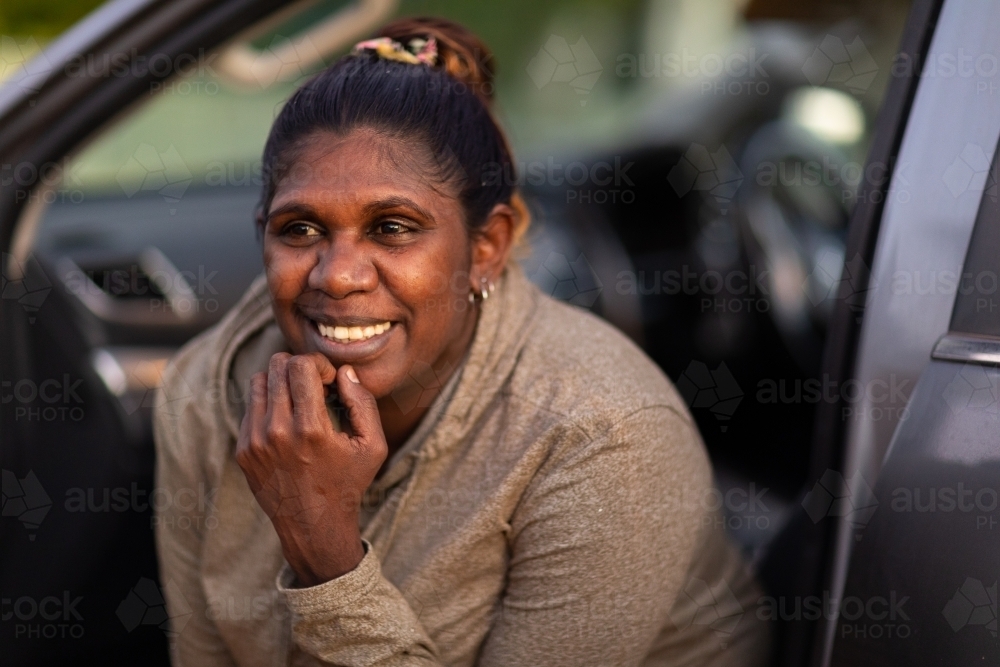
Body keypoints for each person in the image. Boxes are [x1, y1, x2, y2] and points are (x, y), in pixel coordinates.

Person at [154, 16, 770, 667]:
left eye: (392, 227)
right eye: (300, 228)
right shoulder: (204, 391)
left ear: (486, 247)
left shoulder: (603, 435)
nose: (337, 273)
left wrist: (325, 555)